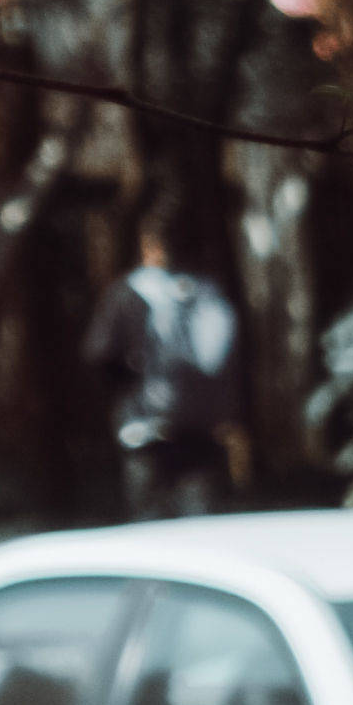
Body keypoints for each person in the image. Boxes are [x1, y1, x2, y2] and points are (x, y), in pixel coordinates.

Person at [90, 215, 248, 522]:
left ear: (149, 247)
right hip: (201, 431)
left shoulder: (127, 293)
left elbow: (100, 354)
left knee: (149, 525)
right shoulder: (209, 292)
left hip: (143, 429)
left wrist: (124, 396)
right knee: (197, 526)